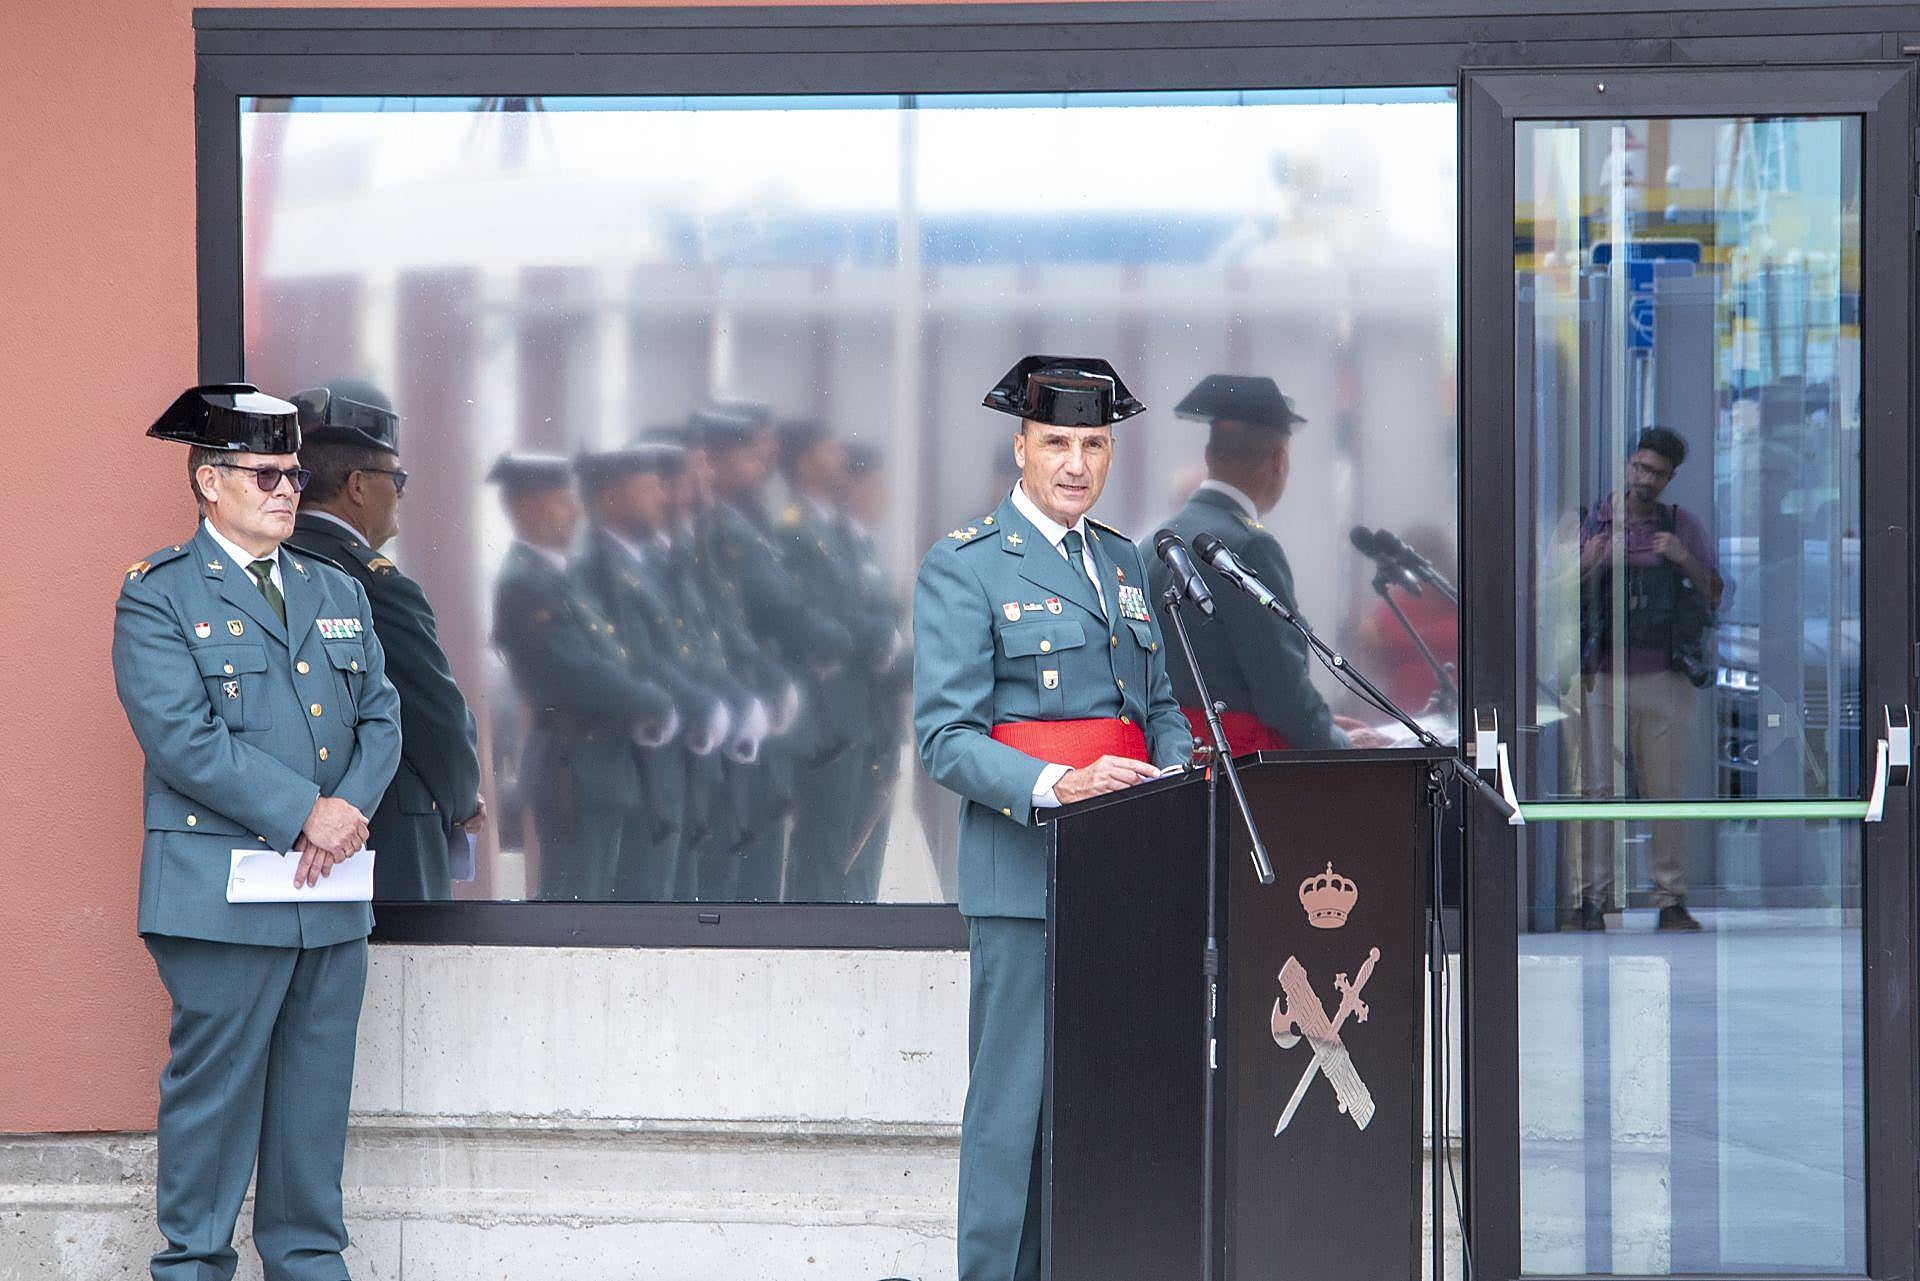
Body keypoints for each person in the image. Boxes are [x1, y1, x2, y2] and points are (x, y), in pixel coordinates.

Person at [113, 383, 402, 1281]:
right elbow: (183, 736)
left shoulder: (336, 587)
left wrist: (348, 808)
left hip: (329, 898)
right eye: (266, 473)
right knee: (215, 1103)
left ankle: (310, 1265)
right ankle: (194, 1267)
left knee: (314, 1111)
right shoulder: (159, 596)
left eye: (295, 472)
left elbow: (383, 718)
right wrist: (304, 810)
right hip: (220, 899)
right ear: (209, 482)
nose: (287, 489)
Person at [915, 355, 1191, 1281]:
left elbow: (1158, 708)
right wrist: (1057, 784)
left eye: (1096, 443)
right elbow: (945, 738)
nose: (1078, 463)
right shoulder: (966, 566)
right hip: (1026, 877)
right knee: (1012, 1114)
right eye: (1059, 442)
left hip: (1127, 872)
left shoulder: (1123, 559)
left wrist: (1176, 777)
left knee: (1108, 1108)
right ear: (1021, 446)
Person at [288, 380, 484, 901]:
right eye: (395, 479)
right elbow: (432, 714)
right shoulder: (375, 583)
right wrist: (464, 797)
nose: (400, 493)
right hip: (386, 839)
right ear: (357, 485)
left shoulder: (271, 566)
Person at [487, 453, 676, 900]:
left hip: (600, 768)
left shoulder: (562, 578)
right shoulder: (525, 583)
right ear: (526, 506)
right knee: (573, 911)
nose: (574, 512)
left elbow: (612, 657)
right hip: (570, 769)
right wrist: (656, 703)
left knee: (598, 911)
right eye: (560, 501)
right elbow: (580, 673)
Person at [1149, 374, 1360, 753]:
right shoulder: (1250, 544)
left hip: (1170, 757)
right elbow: (1282, 693)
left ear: (1209, 456)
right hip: (1241, 765)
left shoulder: (1149, 543)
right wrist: (1342, 745)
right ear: (1279, 461)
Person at [1573, 425, 1727, 932]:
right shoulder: (1592, 523)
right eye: (1640, 468)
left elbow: (1715, 594)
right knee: (1594, 789)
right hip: (1599, 675)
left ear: (1670, 478)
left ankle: (1669, 899)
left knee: (1666, 789)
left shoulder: (1681, 526)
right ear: (1626, 465)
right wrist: (1594, 560)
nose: (1646, 480)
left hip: (1664, 674)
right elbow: (1548, 591)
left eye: (1657, 474)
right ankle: (1590, 900)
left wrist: (1682, 558)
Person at [701, 405, 853, 899]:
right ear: (716, 461)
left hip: (765, 710)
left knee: (762, 875)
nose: (764, 464)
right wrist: (841, 638)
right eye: (751, 454)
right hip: (741, 712)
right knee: (741, 880)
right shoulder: (728, 526)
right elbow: (780, 604)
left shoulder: (751, 520)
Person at [574, 445, 730, 899]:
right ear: (610, 499)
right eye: (646, 488)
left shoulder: (652, 564)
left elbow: (689, 647)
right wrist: (701, 702)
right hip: (641, 763)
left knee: (676, 901)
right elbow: (637, 658)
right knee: (647, 906)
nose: (661, 496)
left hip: (674, 757)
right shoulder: (598, 570)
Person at [774, 420, 900, 901]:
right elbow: (821, 617)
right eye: (829, 449)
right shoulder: (796, 533)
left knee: (854, 867)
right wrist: (876, 637)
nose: (839, 459)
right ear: (805, 463)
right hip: (830, 723)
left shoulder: (839, 535)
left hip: (863, 719)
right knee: (824, 867)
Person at [839, 442, 910, 900]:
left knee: (866, 865)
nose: (883, 494)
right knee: (845, 863)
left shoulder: (862, 546)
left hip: (878, 724)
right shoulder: (838, 547)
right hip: (851, 727)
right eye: (875, 483)